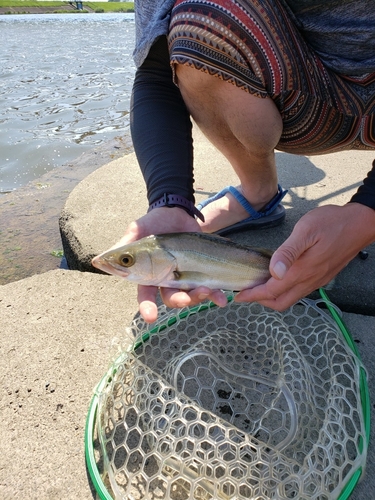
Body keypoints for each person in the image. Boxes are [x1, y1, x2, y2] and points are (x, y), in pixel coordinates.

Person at [117, 0, 375, 323]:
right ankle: (258, 191)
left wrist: (366, 213)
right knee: (202, 22)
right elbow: (156, 70)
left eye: (127, 261)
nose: (119, 264)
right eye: (126, 261)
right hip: (301, 102)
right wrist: (169, 199)